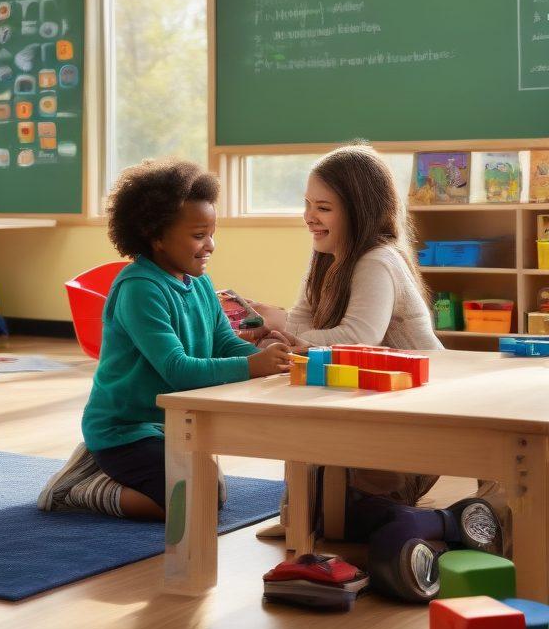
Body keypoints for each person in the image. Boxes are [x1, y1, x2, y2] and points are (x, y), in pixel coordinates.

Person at [243, 143, 506, 600]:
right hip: (376, 411)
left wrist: (286, 327)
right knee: (320, 505)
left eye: (323, 207)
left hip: (425, 419)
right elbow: (307, 327)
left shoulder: (377, 260)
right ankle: (310, 518)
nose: (310, 216)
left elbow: (359, 336)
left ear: (360, 211)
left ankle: (452, 521)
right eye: (306, 205)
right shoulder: (323, 259)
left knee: (352, 512)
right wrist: (281, 333)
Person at [38, 158, 291, 520]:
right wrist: (252, 366)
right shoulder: (140, 288)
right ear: (155, 235)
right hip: (124, 432)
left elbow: (223, 342)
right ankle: (76, 488)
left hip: (172, 427)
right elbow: (177, 370)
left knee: (207, 492)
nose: (210, 246)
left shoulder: (199, 281)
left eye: (212, 233)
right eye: (198, 235)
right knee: (195, 504)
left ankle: (105, 472)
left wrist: (266, 353)